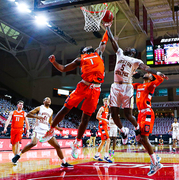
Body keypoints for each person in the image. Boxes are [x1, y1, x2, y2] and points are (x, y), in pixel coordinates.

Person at [40, 29, 109, 160]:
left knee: (86, 119)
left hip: (96, 90)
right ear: (83, 52)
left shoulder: (98, 52)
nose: (89, 47)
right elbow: (64, 68)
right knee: (65, 108)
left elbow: (104, 41)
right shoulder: (80, 59)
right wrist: (54, 62)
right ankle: (51, 130)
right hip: (83, 86)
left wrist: (107, 27)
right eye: (86, 48)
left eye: (89, 47)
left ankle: (77, 143)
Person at [105, 23, 168, 144]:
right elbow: (112, 40)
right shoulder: (120, 54)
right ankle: (123, 131)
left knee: (128, 115)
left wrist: (158, 72)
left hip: (127, 87)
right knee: (113, 114)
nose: (129, 48)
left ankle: (137, 129)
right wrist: (108, 27)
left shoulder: (136, 61)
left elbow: (147, 68)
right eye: (128, 48)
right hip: (115, 85)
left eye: (131, 49)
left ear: (133, 53)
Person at [11, 97, 73, 167]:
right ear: (43, 101)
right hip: (38, 129)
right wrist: (37, 117)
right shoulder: (39, 108)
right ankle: (18, 155)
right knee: (33, 143)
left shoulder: (51, 111)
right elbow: (28, 114)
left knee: (57, 146)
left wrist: (57, 128)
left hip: (46, 130)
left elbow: (50, 121)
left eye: (49, 99)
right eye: (47, 99)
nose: (48, 100)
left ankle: (64, 162)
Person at [133, 73, 167, 176]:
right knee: (138, 138)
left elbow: (160, 79)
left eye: (148, 74)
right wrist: (132, 73)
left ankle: (156, 163)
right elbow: (127, 84)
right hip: (139, 114)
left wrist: (152, 72)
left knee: (144, 138)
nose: (146, 73)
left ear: (151, 78)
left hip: (147, 113)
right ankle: (155, 158)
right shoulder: (138, 85)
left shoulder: (150, 85)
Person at [93, 98, 112, 163]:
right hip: (101, 126)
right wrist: (105, 120)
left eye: (107, 102)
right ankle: (106, 156)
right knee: (108, 140)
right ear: (103, 102)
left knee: (103, 141)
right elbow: (97, 117)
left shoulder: (107, 109)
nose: (106, 103)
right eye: (105, 102)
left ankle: (96, 155)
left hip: (105, 126)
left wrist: (107, 124)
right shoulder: (102, 108)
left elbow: (105, 118)